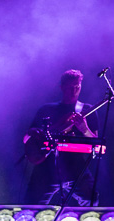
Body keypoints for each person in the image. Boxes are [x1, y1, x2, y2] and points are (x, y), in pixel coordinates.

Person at [23, 69, 100, 206]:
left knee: (92, 202)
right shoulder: (46, 109)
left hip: (76, 167)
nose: (74, 91)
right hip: (47, 166)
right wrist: (33, 132)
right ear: (61, 87)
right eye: (70, 87)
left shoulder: (87, 110)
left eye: (77, 87)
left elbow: (96, 144)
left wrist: (84, 129)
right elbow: (26, 138)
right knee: (31, 207)